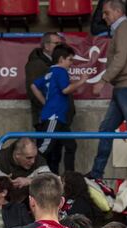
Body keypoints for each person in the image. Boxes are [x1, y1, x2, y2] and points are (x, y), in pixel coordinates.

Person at [88, 0, 127, 180]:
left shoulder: (124, 29)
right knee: (106, 129)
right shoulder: (123, 29)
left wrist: (102, 81)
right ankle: (96, 173)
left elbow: (120, 60)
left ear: (118, 11)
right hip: (123, 85)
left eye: (106, 13)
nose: (103, 17)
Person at [31, 43, 86, 174]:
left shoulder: (50, 71)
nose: (71, 63)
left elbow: (34, 86)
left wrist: (45, 102)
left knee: (71, 145)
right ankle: (28, 172)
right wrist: (81, 81)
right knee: (44, 148)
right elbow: (65, 90)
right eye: (70, 60)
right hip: (53, 117)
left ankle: (69, 176)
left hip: (59, 117)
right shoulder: (61, 71)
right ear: (61, 59)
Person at [0, 138, 51, 204]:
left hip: (26, 203)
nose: (33, 161)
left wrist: (29, 181)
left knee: (44, 193)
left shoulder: (39, 160)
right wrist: (3, 183)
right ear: (17, 155)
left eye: (35, 157)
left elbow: (51, 183)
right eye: (29, 158)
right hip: (2, 202)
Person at [25, 32, 66, 127]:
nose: (60, 47)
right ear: (47, 46)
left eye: (61, 44)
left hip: (58, 118)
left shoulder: (57, 64)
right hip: (47, 118)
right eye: (56, 44)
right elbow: (33, 91)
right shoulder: (36, 64)